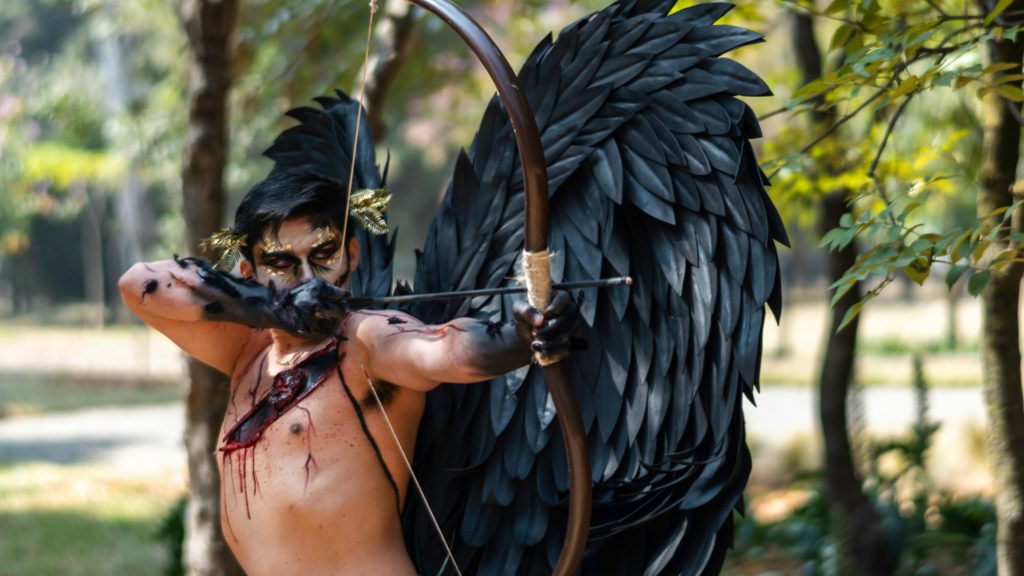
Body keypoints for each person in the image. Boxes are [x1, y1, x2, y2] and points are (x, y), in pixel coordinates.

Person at [119, 113, 579, 575]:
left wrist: (522, 337)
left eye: (323, 255)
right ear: (248, 274)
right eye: (280, 263)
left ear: (351, 255)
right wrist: (270, 309)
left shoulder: (368, 339)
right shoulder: (248, 353)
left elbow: (443, 349)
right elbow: (139, 284)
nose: (305, 277)